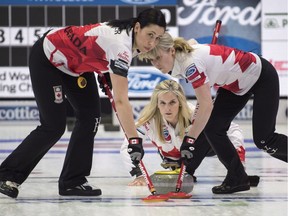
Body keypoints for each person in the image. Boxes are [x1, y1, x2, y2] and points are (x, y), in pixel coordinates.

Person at [0, 8, 166, 199]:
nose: (152, 43)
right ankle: (7, 174)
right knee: (53, 126)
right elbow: (121, 101)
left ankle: (73, 181)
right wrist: (134, 140)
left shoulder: (131, 38)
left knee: (91, 118)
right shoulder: (121, 45)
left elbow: (97, 47)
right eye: (150, 35)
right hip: (49, 58)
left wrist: (105, 73)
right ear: (137, 27)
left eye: (158, 38)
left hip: (75, 65)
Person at [136, 32, 287, 194]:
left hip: (261, 77)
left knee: (265, 140)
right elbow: (192, 41)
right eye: (151, 60)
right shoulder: (181, 53)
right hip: (236, 84)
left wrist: (190, 139)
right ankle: (237, 177)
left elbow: (206, 104)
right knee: (213, 128)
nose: (155, 64)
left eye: (158, 57)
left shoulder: (190, 65)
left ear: (172, 51)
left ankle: (237, 174)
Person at [120, 79, 246, 186]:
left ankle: (188, 171)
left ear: (180, 102)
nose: (167, 108)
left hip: (204, 148)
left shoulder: (193, 113)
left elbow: (233, 129)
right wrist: (138, 174)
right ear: (156, 104)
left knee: (209, 129)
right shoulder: (149, 120)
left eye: (172, 102)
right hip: (173, 158)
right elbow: (128, 146)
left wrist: (238, 165)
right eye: (162, 103)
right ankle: (182, 169)